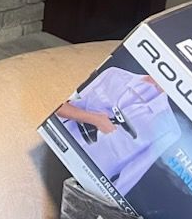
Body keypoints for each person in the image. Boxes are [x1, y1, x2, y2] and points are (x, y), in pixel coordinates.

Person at [56, 67, 181, 195]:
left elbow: (132, 174)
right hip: (55, 141)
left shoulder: (169, 128)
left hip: (83, 180)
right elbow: (58, 106)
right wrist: (94, 119)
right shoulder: (114, 74)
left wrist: (100, 201)